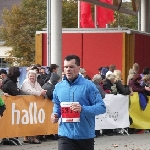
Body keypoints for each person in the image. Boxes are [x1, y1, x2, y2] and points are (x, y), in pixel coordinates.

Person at [51, 55, 106, 150]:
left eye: (71, 67)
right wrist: (55, 114)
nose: (68, 70)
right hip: (65, 134)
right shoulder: (59, 87)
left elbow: (101, 107)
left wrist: (83, 109)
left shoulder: (89, 86)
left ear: (78, 68)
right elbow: (57, 105)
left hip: (84, 135)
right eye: (66, 67)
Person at [21, 70, 47, 144]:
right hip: (26, 104)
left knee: (31, 121)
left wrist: (43, 91)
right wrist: (40, 93)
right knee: (29, 121)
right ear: (28, 76)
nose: (32, 77)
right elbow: (28, 91)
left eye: (33, 76)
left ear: (36, 77)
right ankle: (31, 137)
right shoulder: (26, 82)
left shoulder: (36, 83)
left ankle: (27, 137)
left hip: (33, 105)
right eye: (30, 76)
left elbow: (40, 89)